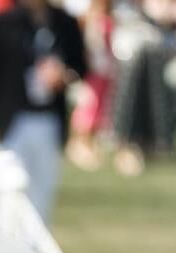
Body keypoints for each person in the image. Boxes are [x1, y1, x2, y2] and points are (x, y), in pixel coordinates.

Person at [0, 0, 86, 221]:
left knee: (41, 191)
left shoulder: (64, 22)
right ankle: (5, 245)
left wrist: (63, 76)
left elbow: (79, 65)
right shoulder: (8, 21)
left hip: (48, 117)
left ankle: (35, 249)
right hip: (11, 118)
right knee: (9, 185)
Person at [67, 0, 116, 170]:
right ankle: (79, 143)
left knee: (100, 109)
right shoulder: (92, 20)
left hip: (106, 70)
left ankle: (90, 145)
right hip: (94, 70)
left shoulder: (109, 19)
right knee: (89, 107)